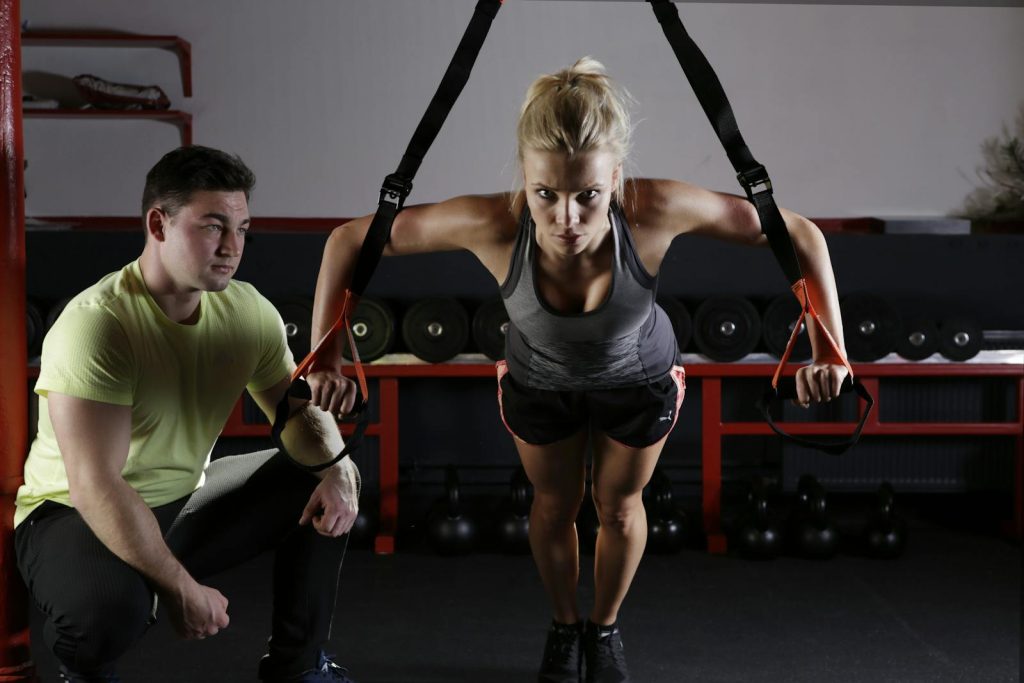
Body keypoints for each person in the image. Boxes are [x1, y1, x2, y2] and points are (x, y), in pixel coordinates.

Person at [308, 58, 849, 683]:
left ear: (615, 179)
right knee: (553, 504)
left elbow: (799, 234)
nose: (566, 217)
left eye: (588, 195)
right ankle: (565, 627)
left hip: (640, 381)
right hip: (541, 383)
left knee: (619, 507)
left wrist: (829, 349)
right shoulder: (493, 222)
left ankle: (606, 627)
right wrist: (326, 354)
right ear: (526, 181)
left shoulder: (656, 208)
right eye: (546, 194)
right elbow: (350, 239)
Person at [14, 146, 361, 683]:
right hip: (70, 512)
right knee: (106, 616)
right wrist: (180, 589)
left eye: (243, 229)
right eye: (213, 227)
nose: (232, 247)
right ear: (158, 223)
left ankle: (299, 666)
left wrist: (336, 470)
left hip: (181, 500)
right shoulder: (99, 325)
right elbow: (94, 485)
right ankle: (82, 669)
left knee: (327, 471)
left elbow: (297, 414)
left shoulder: (248, 312)